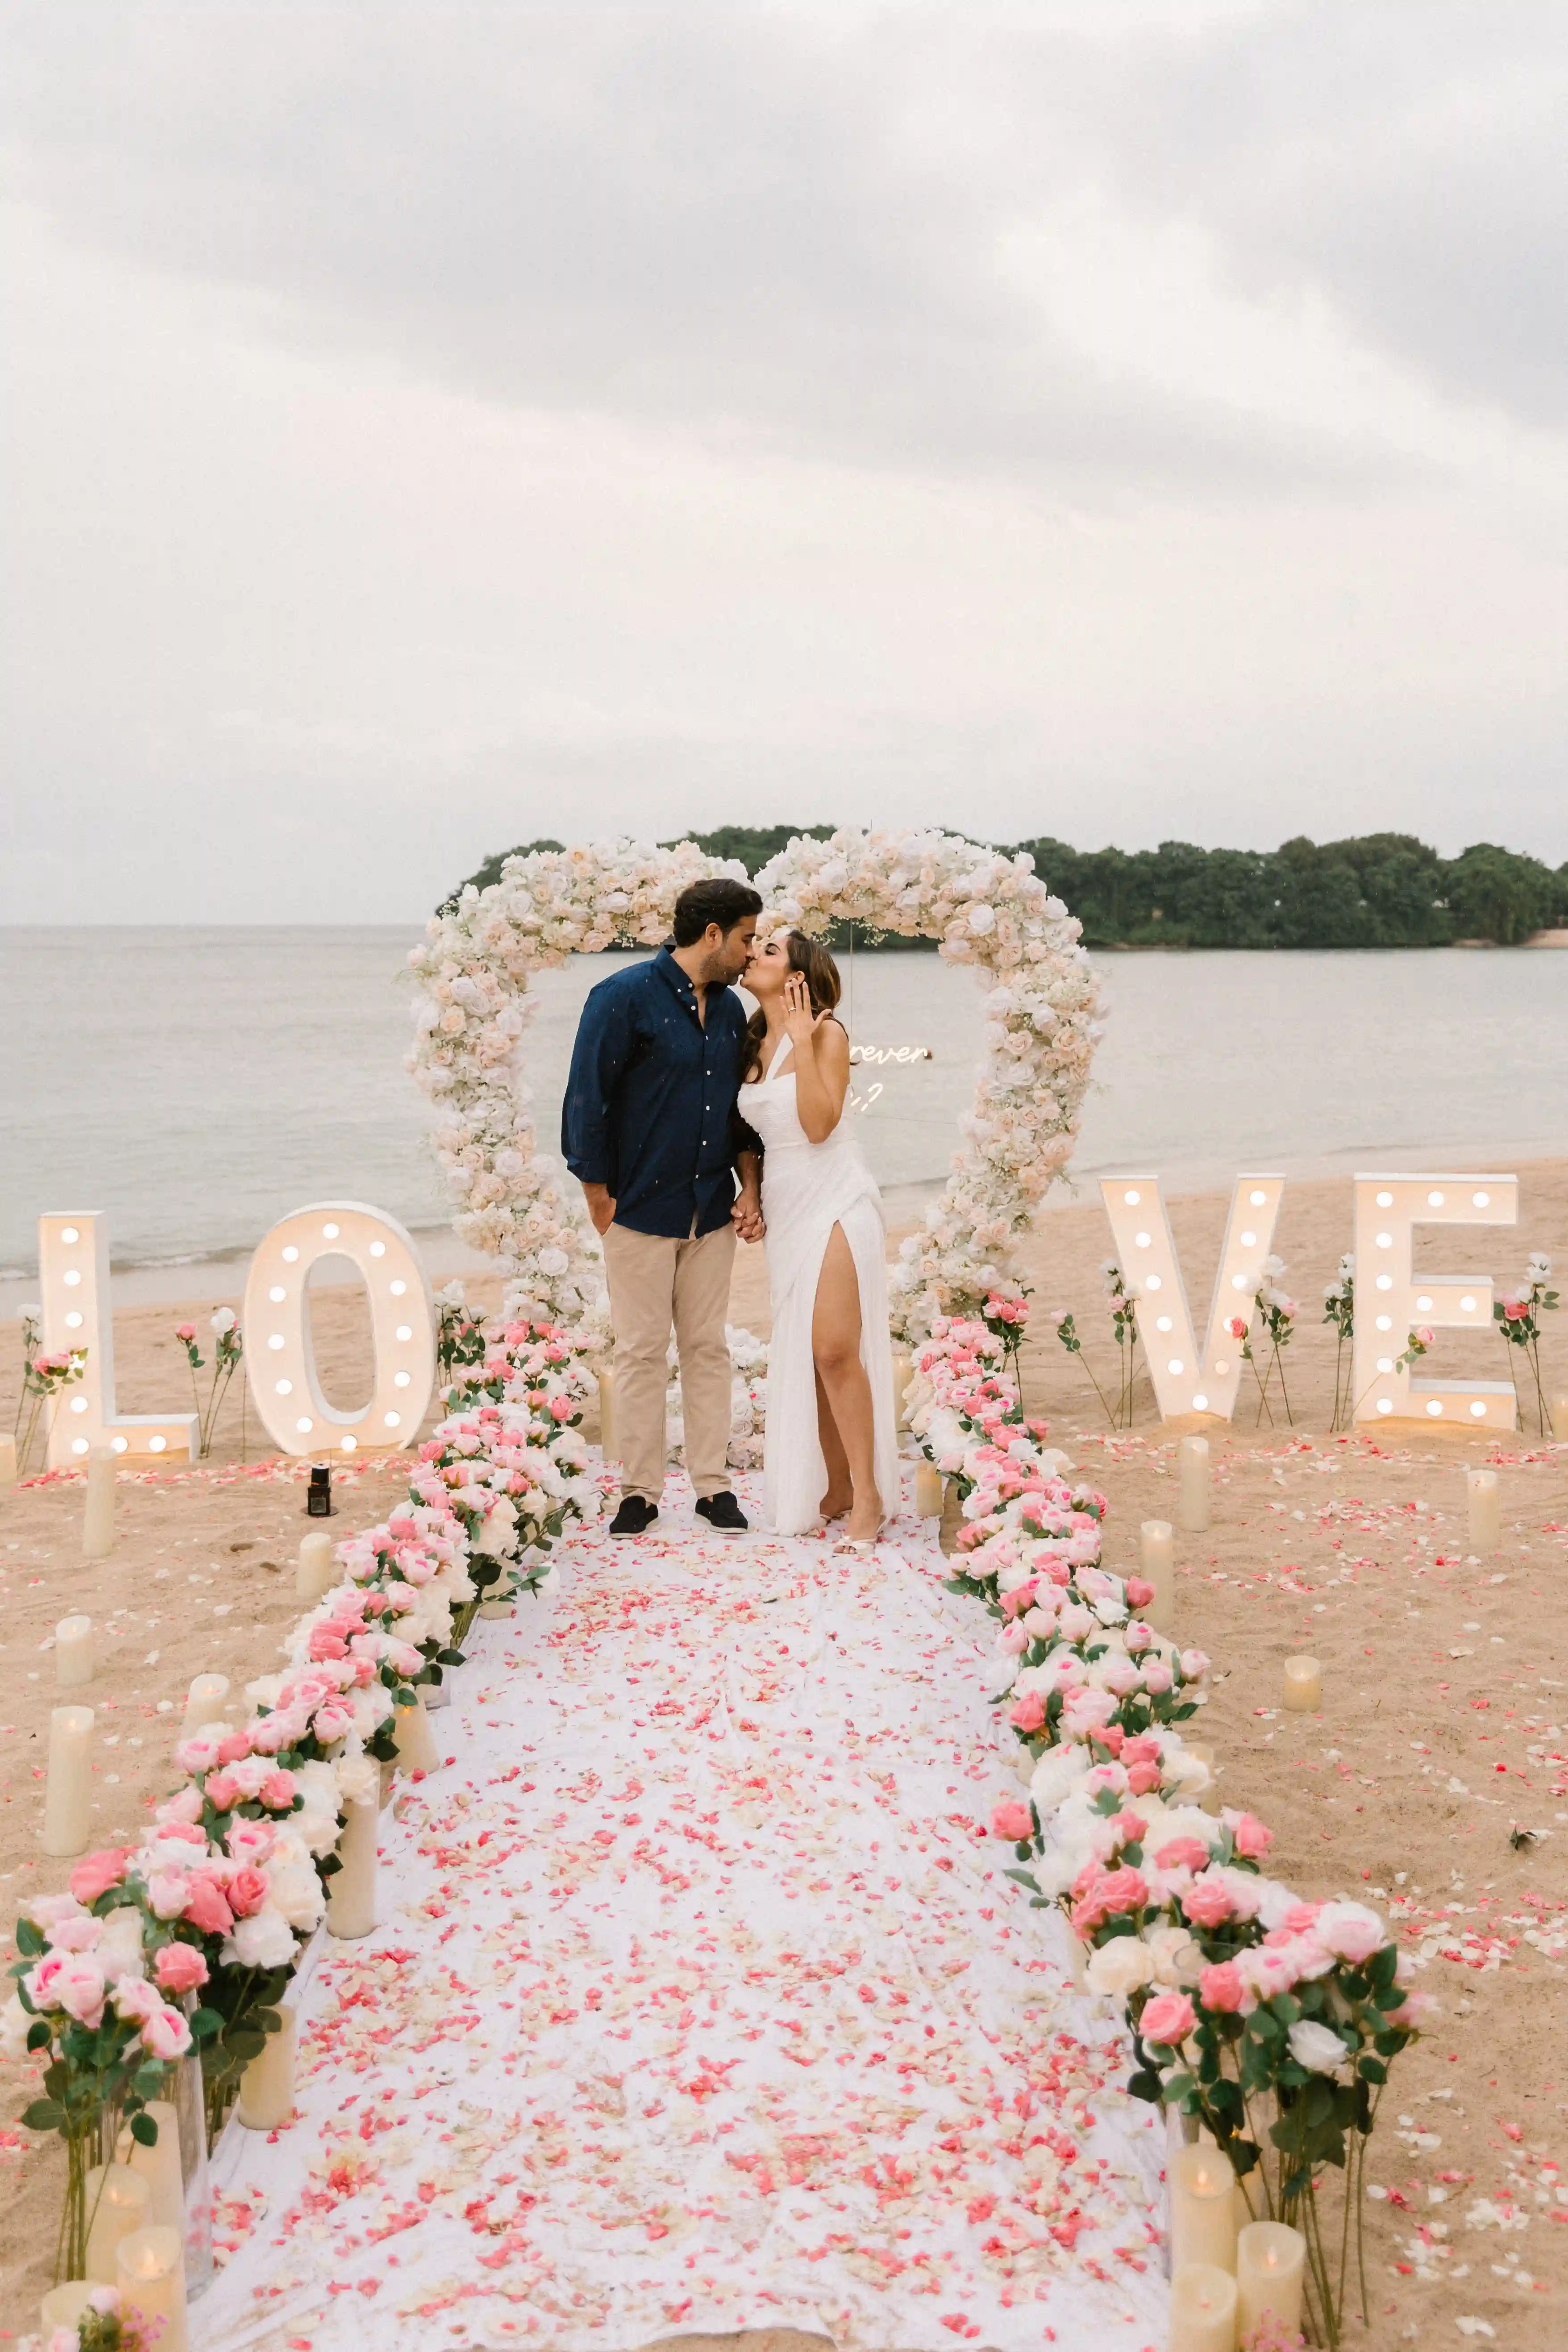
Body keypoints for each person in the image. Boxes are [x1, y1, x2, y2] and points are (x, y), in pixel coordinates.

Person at [562, 876, 765, 1539]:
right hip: (638, 1210)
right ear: (712, 934)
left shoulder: (731, 1012)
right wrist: (600, 1199)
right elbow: (585, 1101)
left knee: (708, 1348)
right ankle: (640, 1492)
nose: (750, 952)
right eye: (746, 938)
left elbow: (739, 1112)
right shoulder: (620, 997)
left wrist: (749, 1188)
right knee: (642, 1352)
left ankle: (713, 1486)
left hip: (710, 1208)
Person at [740, 928, 898, 1545]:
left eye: (770, 951)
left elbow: (817, 1125)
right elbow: (747, 1137)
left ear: (798, 977)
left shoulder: (828, 1033)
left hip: (836, 1193)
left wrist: (803, 1041)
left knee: (835, 1348)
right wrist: (749, 1190)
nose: (754, 954)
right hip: (786, 1204)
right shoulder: (749, 1038)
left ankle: (868, 1493)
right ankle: (836, 1486)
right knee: (811, 1354)